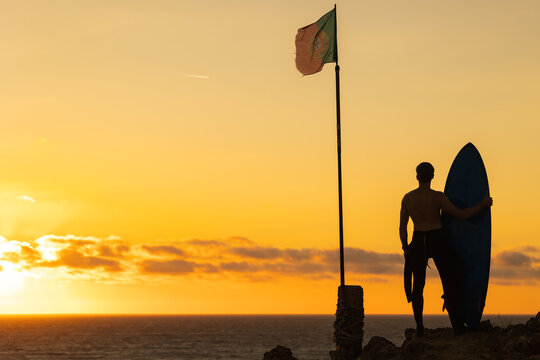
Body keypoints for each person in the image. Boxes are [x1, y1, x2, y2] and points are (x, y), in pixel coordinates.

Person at [399, 162, 492, 336]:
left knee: (418, 286)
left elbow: (402, 227)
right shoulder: (438, 198)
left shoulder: (408, 198)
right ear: (433, 176)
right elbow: (462, 215)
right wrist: (483, 204)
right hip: (437, 238)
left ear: (417, 176)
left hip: (418, 240)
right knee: (452, 280)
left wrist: (405, 247)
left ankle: (419, 327)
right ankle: (457, 325)